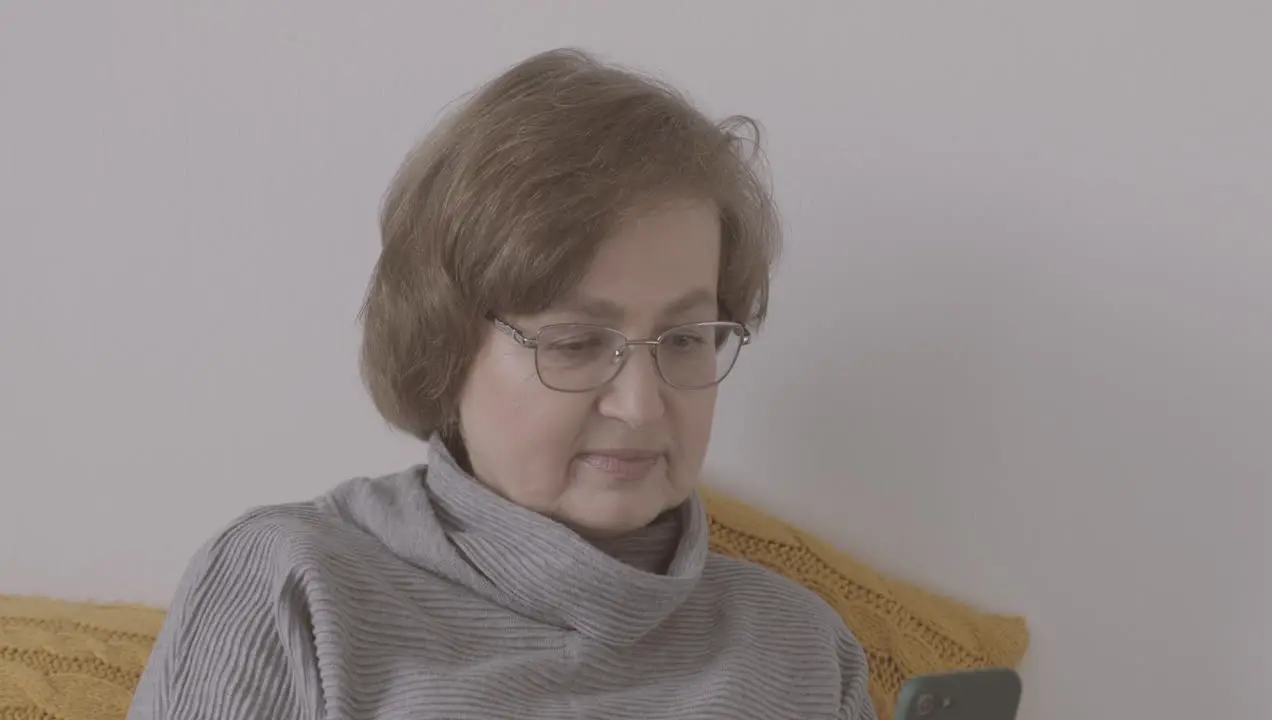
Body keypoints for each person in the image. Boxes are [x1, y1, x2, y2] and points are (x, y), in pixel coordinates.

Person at [128, 48, 876, 720]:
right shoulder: (292, 586)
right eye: (578, 343)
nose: (642, 405)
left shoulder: (802, 648)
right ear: (444, 347)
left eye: (683, 340)